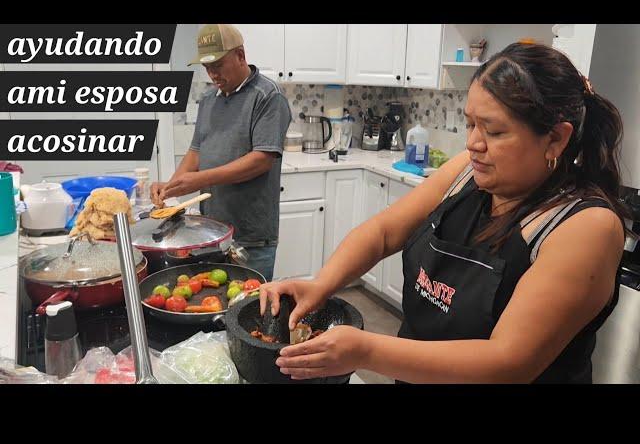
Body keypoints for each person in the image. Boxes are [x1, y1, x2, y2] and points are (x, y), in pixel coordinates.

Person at [260, 42, 630, 384]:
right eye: (470, 123)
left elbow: (508, 363)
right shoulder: (465, 171)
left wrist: (366, 349)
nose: (473, 143)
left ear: (556, 139)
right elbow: (384, 232)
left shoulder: (585, 225)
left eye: (495, 131)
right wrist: (322, 285)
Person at [151, 24, 292, 281]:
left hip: (251, 236)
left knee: (248, 312)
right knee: (214, 309)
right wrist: (171, 188)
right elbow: (196, 151)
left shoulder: (268, 96)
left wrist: (200, 179)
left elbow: (261, 160)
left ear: (240, 55)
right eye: (206, 67)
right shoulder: (208, 100)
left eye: (217, 64)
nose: (212, 73)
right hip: (212, 231)